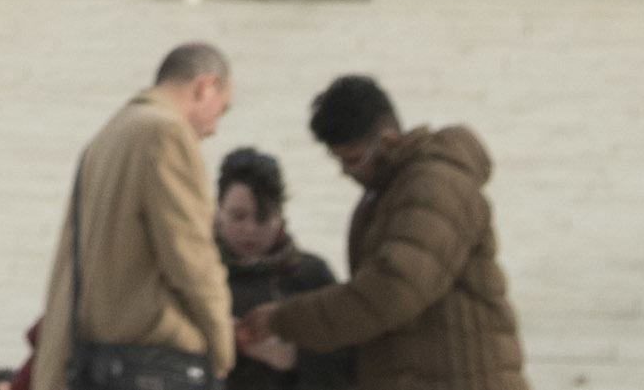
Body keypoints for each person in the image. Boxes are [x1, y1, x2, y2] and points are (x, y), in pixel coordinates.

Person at [237, 75, 524, 387]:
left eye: (353, 160)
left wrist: (284, 320)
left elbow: (391, 290)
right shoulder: (389, 191)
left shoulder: (436, 186)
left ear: (387, 141)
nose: (346, 172)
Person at [26, 42, 232, 390]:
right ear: (205, 86)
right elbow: (190, 255)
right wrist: (221, 344)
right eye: (222, 110)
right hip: (151, 363)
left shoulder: (108, 136)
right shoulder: (166, 132)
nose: (214, 129)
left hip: (99, 363)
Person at [210, 146, 330, 325]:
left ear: (280, 216)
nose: (250, 229)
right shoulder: (196, 273)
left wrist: (293, 353)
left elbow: (345, 347)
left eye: (263, 218)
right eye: (238, 217)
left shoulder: (311, 275)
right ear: (219, 212)